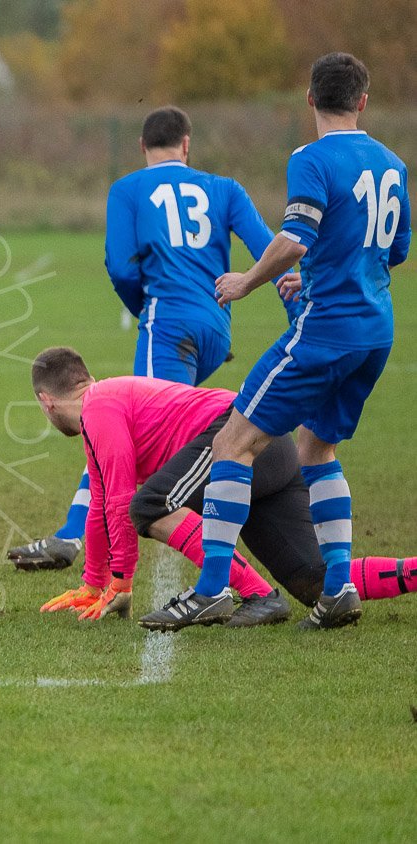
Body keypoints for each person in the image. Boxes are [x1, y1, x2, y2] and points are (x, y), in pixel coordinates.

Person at [142, 52, 411, 631]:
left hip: (324, 332)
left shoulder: (311, 158)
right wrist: (314, 274)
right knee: (318, 447)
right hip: (375, 332)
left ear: (309, 99)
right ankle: (338, 587)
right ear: (363, 101)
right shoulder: (393, 164)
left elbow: (294, 237)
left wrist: (247, 280)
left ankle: (212, 589)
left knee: (233, 443)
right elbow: (391, 253)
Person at [9, 106, 293, 571]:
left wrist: (143, 308)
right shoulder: (225, 188)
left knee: (112, 425)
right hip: (217, 328)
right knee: (150, 428)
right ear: (187, 144)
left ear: (142, 147)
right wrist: (296, 309)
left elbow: (120, 266)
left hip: (169, 325)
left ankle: (73, 538)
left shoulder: (128, 189)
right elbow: (271, 252)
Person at [28, 348, 416, 627]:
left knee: (150, 505)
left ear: (47, 402)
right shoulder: (103, 403)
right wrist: (94, 583)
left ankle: (256, 595)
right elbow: (98, 505)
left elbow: (119, 502)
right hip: (271, 448)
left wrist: (121, 583)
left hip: (236, 439)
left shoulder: (98, 407)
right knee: (318, 582)